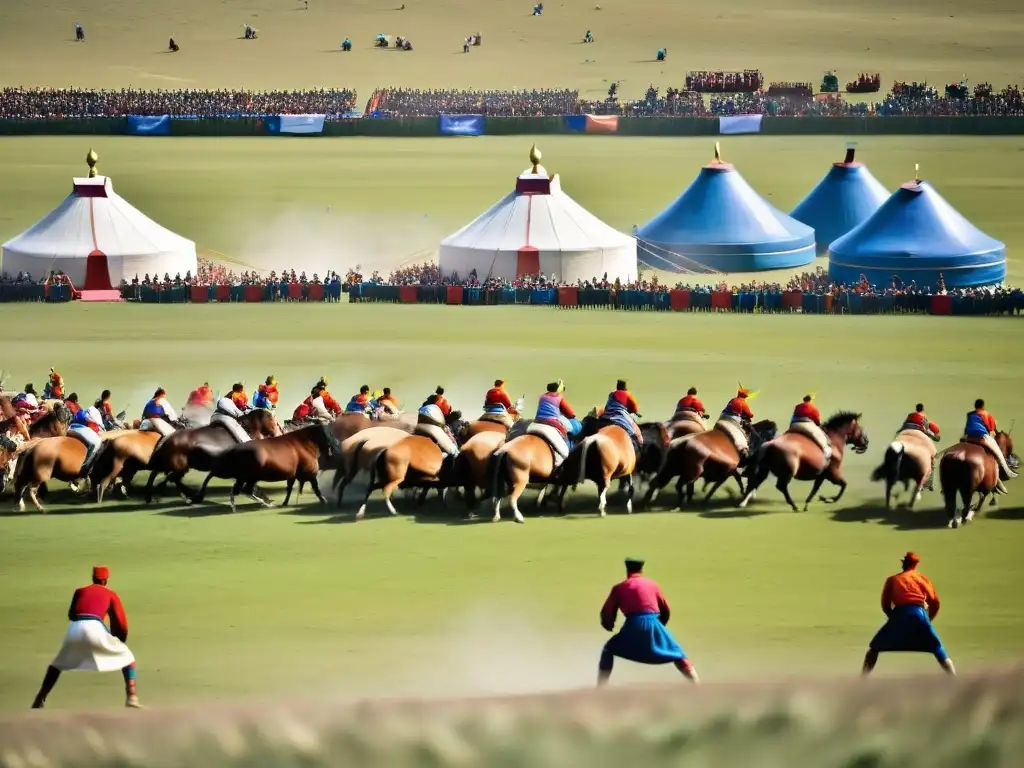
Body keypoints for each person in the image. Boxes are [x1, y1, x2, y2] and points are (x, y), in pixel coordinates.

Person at [31, 566, 140, 709]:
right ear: (106, 580)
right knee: (128, 658)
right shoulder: (111, 594)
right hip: (94, 627)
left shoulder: (79, 591)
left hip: (74, 628)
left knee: (57, 664)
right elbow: (120, 622)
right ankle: (131, 696)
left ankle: (40, 698)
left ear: (93, 578)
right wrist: (119, 639)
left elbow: (71, 614)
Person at [598, 557, 699, 687]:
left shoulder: (618, 588)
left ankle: (601, 689)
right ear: (641, 569)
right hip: (654, 622)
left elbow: (607, 612)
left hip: (633, 623)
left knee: (608, 649)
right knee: (677, 653)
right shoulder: (653, 585)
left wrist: (608, 623)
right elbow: (665, 609)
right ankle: (697, 685)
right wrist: (660, 628)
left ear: (627, 569)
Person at [862, 552, 955, 677]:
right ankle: (953, 677)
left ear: (904, 563)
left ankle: (862, 679)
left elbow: (885, 605)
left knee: (874, 648)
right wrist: (928, 620)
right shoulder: (922, 579)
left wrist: (893, 619)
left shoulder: (893, 579)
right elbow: (935, 602)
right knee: (938, 648)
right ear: (915, 565)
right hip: (920, 614)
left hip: (900, 614)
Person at [962, 398, 1017, 492]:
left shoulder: (969, 414)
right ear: (983, 406)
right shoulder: (986, 414)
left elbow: (967, 427)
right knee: (999, 454)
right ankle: (1008, 473)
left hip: (969, 437)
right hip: (982, 436)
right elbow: (991, 429)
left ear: (975, 406)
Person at [534, 380, 579, 456]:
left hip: (538, 420)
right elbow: (570, 413)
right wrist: (572, 416)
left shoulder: (542, 396)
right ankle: (567, 452)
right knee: (565, 432)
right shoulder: (558, 397)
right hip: (552, 420)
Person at [789, 394, 832, 468]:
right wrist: (818, 424)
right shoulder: (813, 407)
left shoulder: (797, 406)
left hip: (794, 424)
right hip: (806, 424)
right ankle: (825, 452)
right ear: (810, 400)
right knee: (821, 436)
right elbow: (817, 419)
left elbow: (793, 416)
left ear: (804, 400)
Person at [603, 379, 643, 452]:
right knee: (636, 434)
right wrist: (632, 411)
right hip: (621, 414)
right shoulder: (627, 394)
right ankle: (638, 448)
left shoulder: (611, 394)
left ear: (617, 387)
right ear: (625, 388)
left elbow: (606, 407)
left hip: (608, 414)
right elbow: (635, 409)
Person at [69, 403, 105, 475]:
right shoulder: (94, 416)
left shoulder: (87, 412)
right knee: (95, 445)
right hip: (79, 428)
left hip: (75, 425)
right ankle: (85, 467)